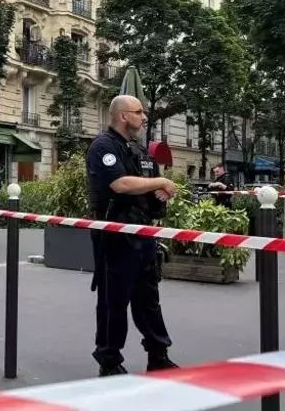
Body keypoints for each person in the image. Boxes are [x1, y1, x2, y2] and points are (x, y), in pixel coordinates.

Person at [86, 95, 179, 377]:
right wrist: (161, 182)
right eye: (139, 112)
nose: (144, 116)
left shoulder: (138, 149)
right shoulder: (103, 146)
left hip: (143, 231)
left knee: (148, 296)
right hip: (115, 233)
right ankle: (110, 360)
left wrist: (160, 193)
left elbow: (147, 186)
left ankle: (158, 354)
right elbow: (121, 184)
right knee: (114, 300)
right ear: (123, 116)